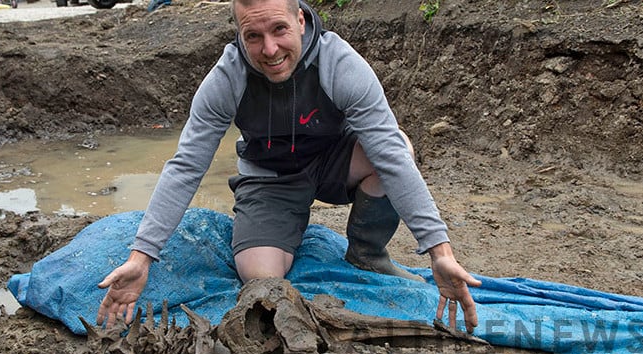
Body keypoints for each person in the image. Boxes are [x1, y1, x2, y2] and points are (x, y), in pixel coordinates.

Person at [96, 0, 481, 333]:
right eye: (253, 37)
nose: (270, 49)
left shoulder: (339, 63)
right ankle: (281, 229)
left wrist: (439, 252)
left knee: (398, 147)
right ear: (239, 36)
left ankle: (366, 251)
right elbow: (186, 165)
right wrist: (141, 257)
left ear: (300, 20)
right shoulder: (227, 77)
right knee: (260, 278)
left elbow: (391, 156)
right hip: (270, 178)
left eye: (279, 29)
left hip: (335, 162)